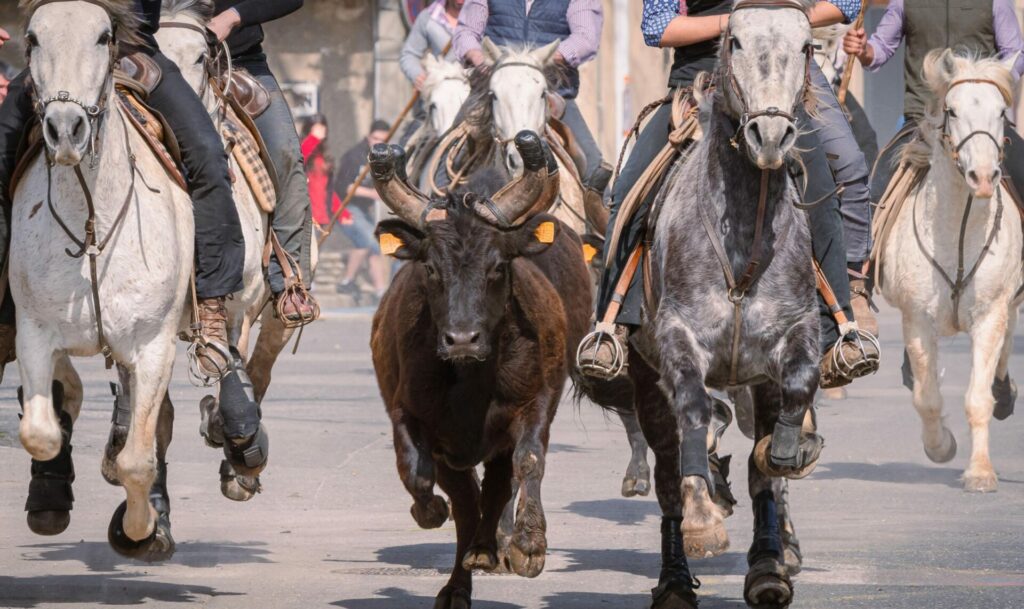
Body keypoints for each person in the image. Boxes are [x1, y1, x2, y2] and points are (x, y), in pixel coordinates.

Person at [578, 0, 878, 390]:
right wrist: (733, 23)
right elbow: (658, 27)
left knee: (825, 182)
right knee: (628, 189)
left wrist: (787, 21)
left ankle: (837, 327)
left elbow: (845, 4)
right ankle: (614, 321)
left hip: (778, 76)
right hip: (698, 79)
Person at [0, 2, 244, 377]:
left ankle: (211, 303)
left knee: (209, 155)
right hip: (59, 43)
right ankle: (5, 312)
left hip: (134, 47)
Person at [843, 0, 1024, 209]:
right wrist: (863, 49)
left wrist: (993, 83)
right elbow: (880, 49)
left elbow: (1015, 54)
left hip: (984, 121)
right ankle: (868, 240)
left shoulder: (997, 2)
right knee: (875, 195)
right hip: (920, 118)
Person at [206, 0, 319, 325]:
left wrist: (232, 16)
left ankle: (289, 279)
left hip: (240, 65)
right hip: (165, 61)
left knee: (286, 154)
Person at [452, 0, 606, 184]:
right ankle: (437, 207)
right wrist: (480, 58)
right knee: (450, 156)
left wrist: (541, 58)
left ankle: (606, 211)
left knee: (594, 167)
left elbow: (585, 38)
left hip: (552, 93)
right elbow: (466, 32)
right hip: (493, 92)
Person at [332, 121, 393, 303]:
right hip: (346, 207)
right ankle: (347, 280)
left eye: (383, 140)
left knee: (374, 247)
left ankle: (380, 290)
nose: (378, 143)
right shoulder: (355, 156)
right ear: (368, 137)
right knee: (368, 242)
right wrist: (373, 194)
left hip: (364, 209)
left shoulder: (381, 157)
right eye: (375, 138)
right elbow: (344, 187)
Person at [300, 114, 341, 228]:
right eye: (316, 128)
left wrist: (341, 211)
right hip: (305, 216)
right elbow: (299, 159)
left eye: (322, 127)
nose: (321, 131)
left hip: (321, 217)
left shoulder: (323, 154)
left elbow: (327, 189)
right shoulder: (303, 147)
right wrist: (313, 138)